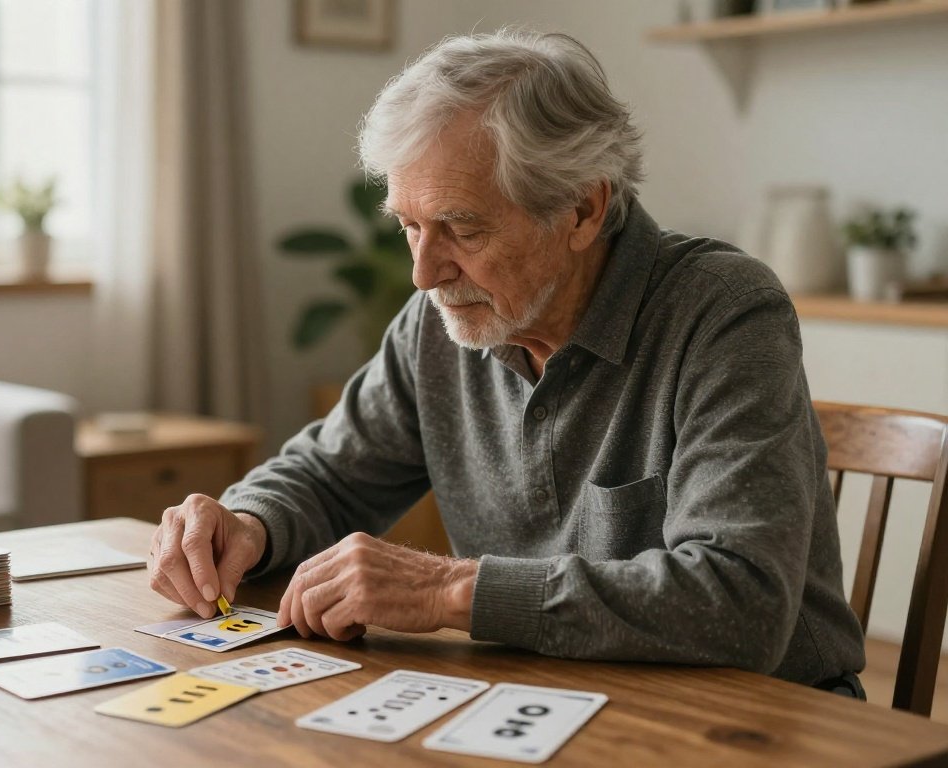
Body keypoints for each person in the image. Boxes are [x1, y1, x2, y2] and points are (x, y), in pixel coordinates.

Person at [146, 28, 865, 691]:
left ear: (581, 210)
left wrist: (445, 589)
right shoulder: (442, 322)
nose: (424, 274)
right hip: (550, 694)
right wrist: (249, 523)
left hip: (762, 719)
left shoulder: (725, 311)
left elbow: (741, 604)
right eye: (409, 227)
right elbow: (330, 475)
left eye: (461, 228)